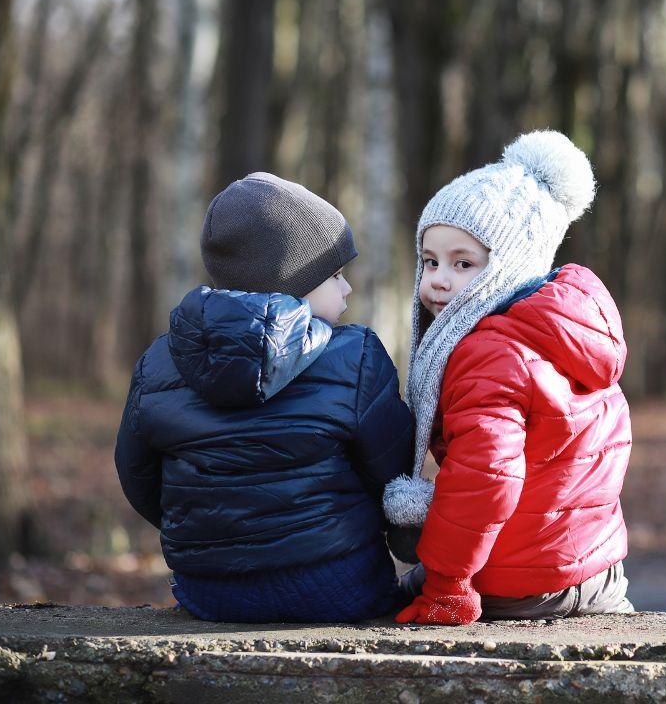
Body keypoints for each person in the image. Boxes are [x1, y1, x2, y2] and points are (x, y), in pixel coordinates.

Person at [115, 172, 414, 623]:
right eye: (334, 273)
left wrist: (213, 531)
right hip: (336, 583)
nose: (347, 287)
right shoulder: (357, 356)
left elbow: (137, 475)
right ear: (293, 282)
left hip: (208, 590)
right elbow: (391, 473)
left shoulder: (159, 362)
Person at [383, 131, 634, 624]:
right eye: (429, 261)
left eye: (463, 263)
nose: (437, 278)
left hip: (524, 580)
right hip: (596, 568)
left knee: (379, 597)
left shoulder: (489, 354)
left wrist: (448, 585)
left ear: (510, 266)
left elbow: (485, 479)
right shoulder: (565, 330)